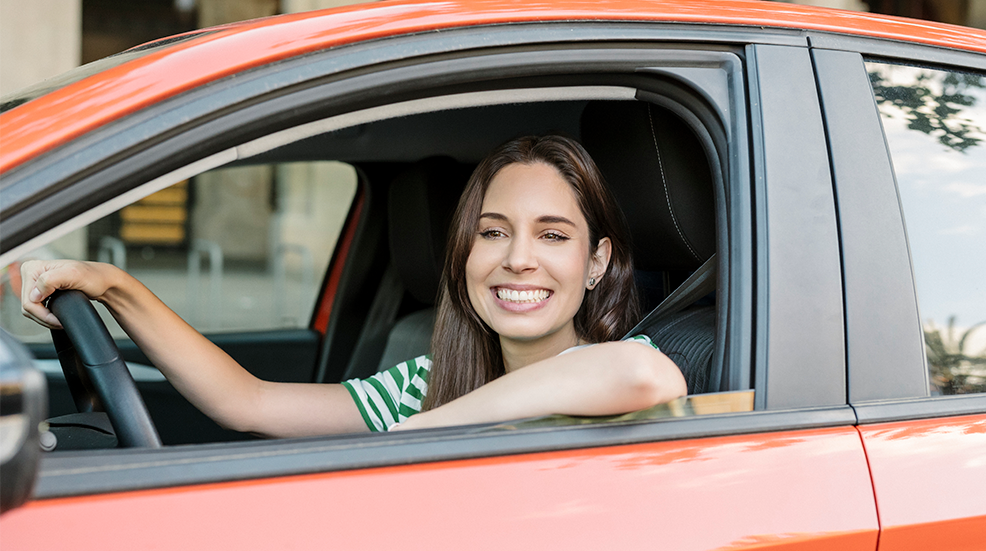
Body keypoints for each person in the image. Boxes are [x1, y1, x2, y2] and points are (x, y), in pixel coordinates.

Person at [20, 135, 687, 437]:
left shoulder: (616, 368)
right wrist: (114, 287)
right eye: (491, 232)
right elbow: (248, 402)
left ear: (597, 261)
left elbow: (641, 372)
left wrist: (417, 432)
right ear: (462, 252)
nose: (517, 259)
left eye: (552, 235)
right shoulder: (428, 376)